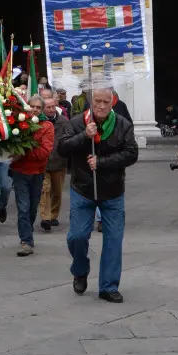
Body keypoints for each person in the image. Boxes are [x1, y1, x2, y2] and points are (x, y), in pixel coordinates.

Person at [58, 86, 138, 302]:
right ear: (90, 103)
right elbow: (62, 148)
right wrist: (85, 136)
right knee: (77, 236)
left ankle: (109, 286)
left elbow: (131, 154)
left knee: (113, 240)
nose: (101, 106)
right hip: (82, 189)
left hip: (112, 191)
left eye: (105, 102)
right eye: (97, 102)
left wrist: (101, 163)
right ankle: (80, 269)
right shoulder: (75, 122)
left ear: (112, 103)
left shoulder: (123, 124)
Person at [10, 94, 54, 256]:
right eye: (32, 107)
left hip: (37, 172)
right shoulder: (17, 123)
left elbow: (44, 152)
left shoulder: (47, 126)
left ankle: (27, 235)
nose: (34, 110)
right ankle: (26, 241)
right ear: (27, 107)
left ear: (42, 110)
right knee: (23, 207)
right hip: (20, 171)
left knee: (32, 208)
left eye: (38, 108)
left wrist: (23, 152)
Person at [40, 89, 67, 233]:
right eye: (47, 107)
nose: (50, 110)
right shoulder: (39, 121)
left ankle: (54, 214)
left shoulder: (63, 122)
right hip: (43, 162)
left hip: (59, 161)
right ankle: (45, 217)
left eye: (52, 107)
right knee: (45, 189)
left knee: (57, 191)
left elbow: (68, 140)